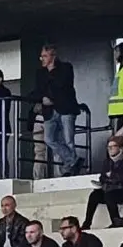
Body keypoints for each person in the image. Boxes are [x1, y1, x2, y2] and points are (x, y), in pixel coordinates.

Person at [31, 44, 80, 176]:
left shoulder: (66, 68)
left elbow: (64, 86)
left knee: (68, 139)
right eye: (41, 56)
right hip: (49, 111)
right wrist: (43, 99)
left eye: (45, 56)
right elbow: (39, 90)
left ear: (53, 56)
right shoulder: (40, 73)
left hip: (66, 109)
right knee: (48, 139)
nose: (42, 59)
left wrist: (51, 97)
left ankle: (69, 170)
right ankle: (73, 161)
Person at [82, 136, 123, 230]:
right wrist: (110, 178)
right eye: (109, 147)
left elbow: (120, 178)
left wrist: (110, 178)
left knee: (109, 195)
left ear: (120, 148)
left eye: (113, 146)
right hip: (110, 189)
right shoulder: (107, 162)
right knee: (94, 195)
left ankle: (116, 220)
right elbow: (103, 178)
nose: (110, 149)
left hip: (120, 191)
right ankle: (87, 223)